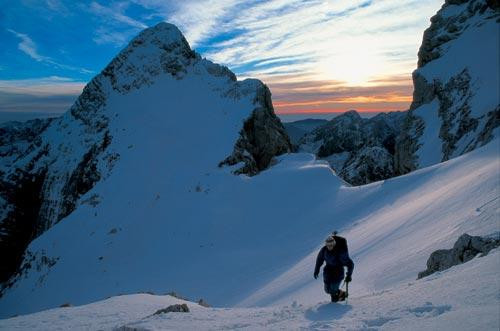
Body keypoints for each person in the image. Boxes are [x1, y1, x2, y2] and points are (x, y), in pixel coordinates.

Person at [313, 234, 354, 302]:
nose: (329, 246)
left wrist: (349, 275)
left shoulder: (340, 252)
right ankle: (342, 294)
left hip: (338, 272)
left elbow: (350, 264)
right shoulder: (324, 250)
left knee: (333, 291)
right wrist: (316, 270)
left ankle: (334, 306)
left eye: (331, 244)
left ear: (334, 244)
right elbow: (319, 259)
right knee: (327, 290)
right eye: (328, 245)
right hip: (328, 271)